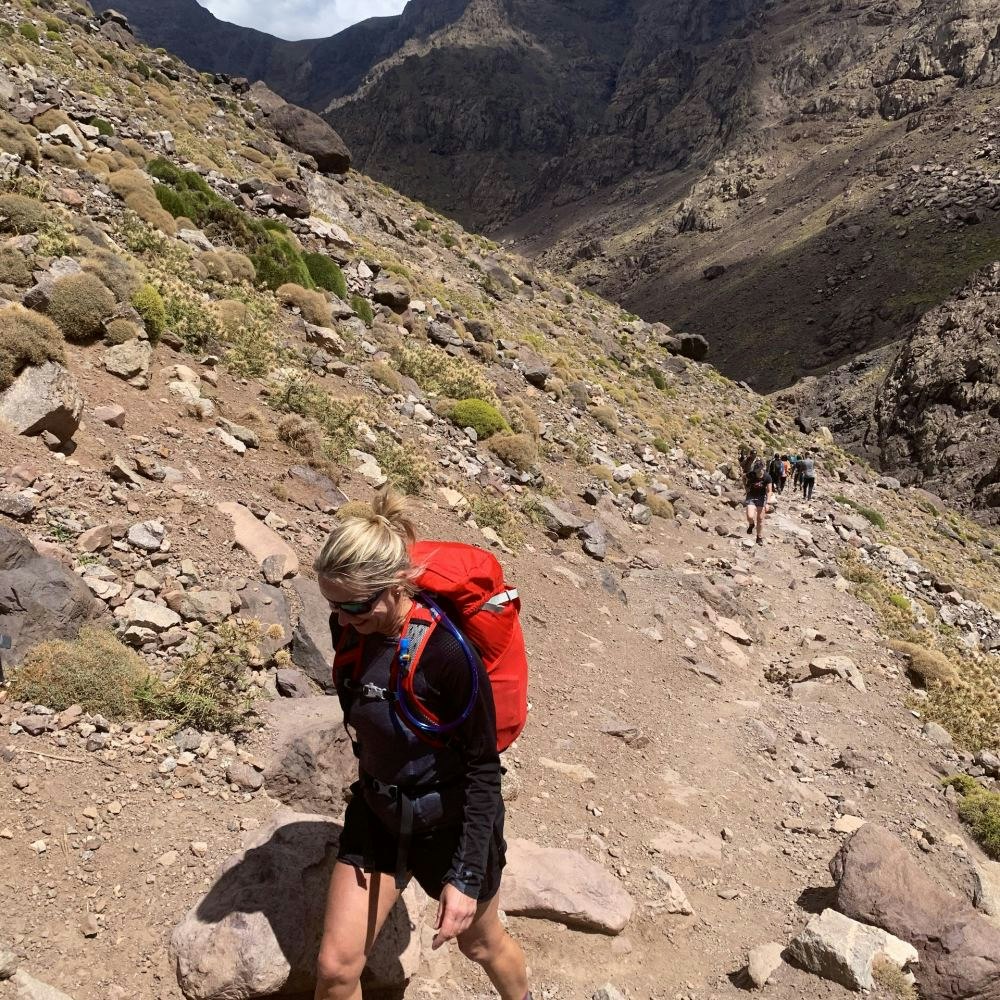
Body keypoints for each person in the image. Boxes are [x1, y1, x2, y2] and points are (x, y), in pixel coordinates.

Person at [312, 490, 531, 1000]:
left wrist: (467, 876)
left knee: (479, 943)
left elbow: (482, 770)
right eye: (332, 605)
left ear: (394, 586)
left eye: (355, 607)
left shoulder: (449, 653)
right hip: (379, 809)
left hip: (449, 823)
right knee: (335, 968)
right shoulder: (350, 628)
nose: (342, 619)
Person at [744, 459, 773, 545]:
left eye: (757, 469)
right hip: (751, 496)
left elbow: (769, 491)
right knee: (750, 516)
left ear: (761, 469)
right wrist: (745, 487)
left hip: (761, 497)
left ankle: (759, 537)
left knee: (760, 519)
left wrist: (768, 503)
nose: (755, 471)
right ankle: (751, 524)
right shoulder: (751, 474)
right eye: (755, 469)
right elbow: (743, 477)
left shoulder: (767, 477)